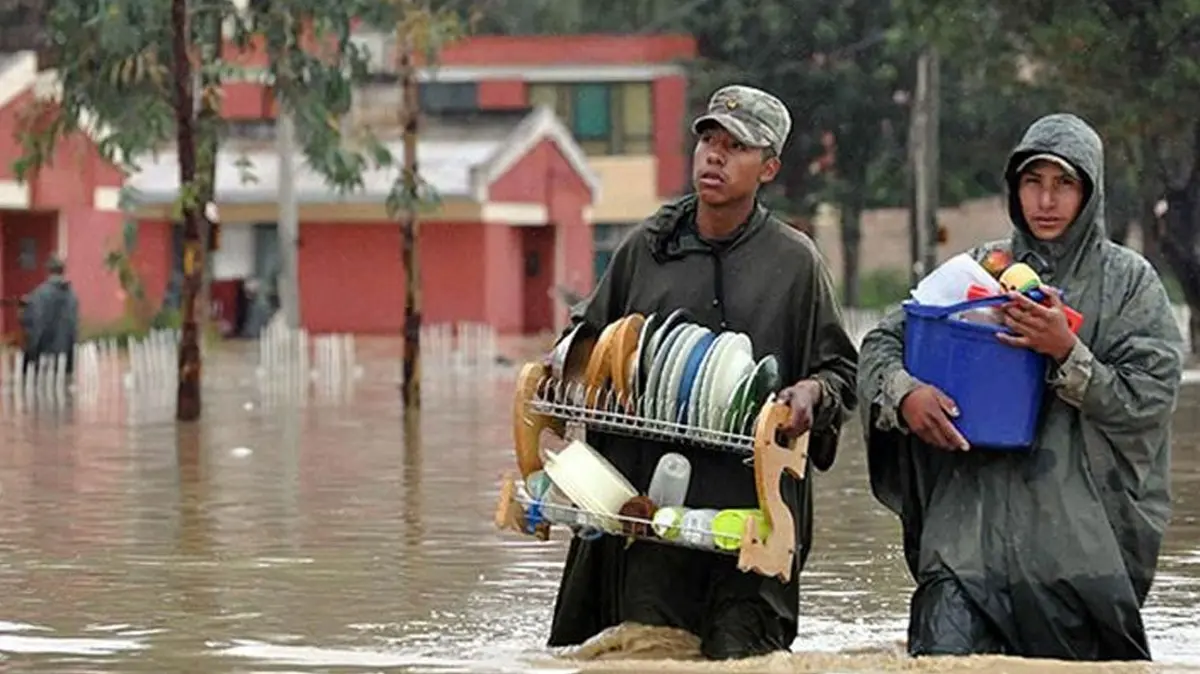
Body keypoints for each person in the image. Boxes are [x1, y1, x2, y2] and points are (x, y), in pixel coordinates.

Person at [546, 85, 859, 660]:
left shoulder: (795, 264)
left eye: (735, 147)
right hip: (648, 517)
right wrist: (566, 362)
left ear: (768, 167)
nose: (714, 156)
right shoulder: (647, 247)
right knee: (647, 650)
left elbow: (840, 372)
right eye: (709, 141)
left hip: (751, 517)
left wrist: (811, 392)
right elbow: (583, 345)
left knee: (743, 653)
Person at [858, 113, 1185, 660]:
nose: (1046, 200)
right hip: (964, 550)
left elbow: (1148, 400)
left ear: (1091, 192)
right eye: (1033, 182)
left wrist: (1066, 352)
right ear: (1015, 189)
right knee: (942, 660)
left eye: (1064, 184)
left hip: (1076, 562)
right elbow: (881, 344)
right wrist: (904, 393)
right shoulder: (983, 270)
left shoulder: (1130, 285)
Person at [20, 255, 80, 377]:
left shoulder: (39, 294)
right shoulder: (72, 295)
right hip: (66, 355)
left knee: (42, 391)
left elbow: (31, 324)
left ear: (48, 271)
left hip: (44, 355)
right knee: (63, 389)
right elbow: (74, 326)